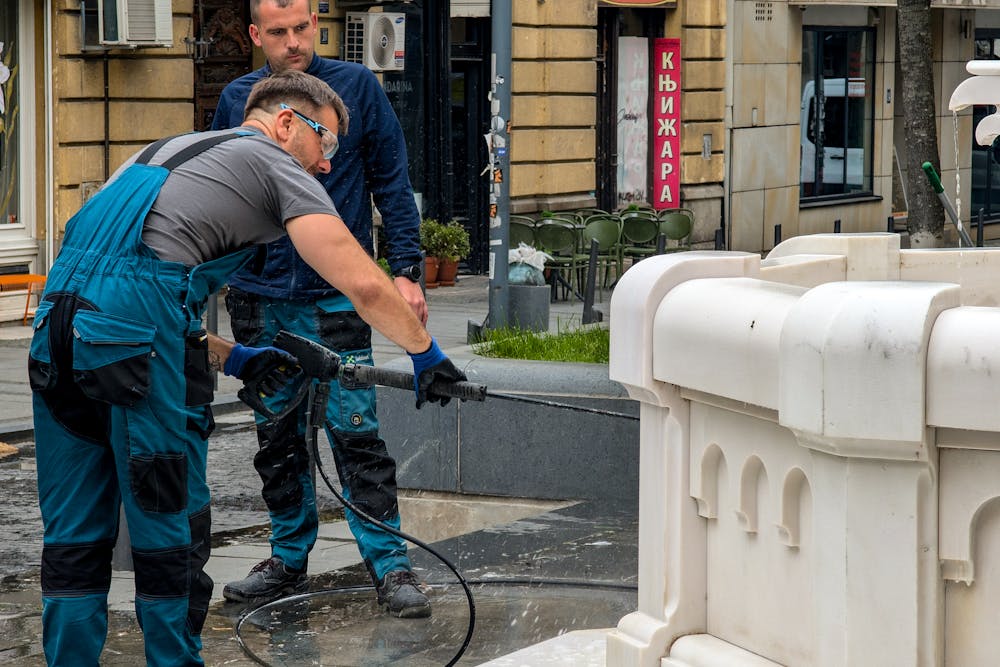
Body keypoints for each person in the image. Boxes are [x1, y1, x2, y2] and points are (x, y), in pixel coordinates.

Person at [29, 70, 464, 667]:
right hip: (131, 343)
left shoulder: (159, 155)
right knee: (170, 531)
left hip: (56, 329)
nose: (330, 166)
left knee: (74, 538)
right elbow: (363, 282)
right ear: (287, 124)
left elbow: (111, 289)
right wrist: (426, 353)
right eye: (328, 143)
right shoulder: (271, 162)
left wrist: (233, 355)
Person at [211, 0, 432, 617]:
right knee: (275, 436)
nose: (292, 43)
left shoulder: (357, 87)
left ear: (317, 25)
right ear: (256, 36)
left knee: (356, 434)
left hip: (336, 291)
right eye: (277, 33)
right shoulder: (238, 99)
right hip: (258, 294)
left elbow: (391, 177)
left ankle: (390, 567)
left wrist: (407, 270)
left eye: (302, 28)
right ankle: (287, 559)